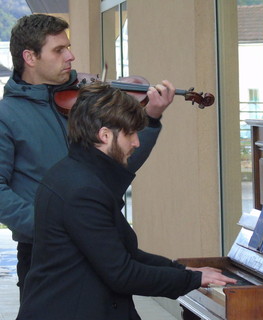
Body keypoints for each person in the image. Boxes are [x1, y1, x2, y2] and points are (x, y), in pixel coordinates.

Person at [16, 83, 236, 320]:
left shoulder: (75, 174)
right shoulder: (82, 189)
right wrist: (191, 279)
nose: (136, 142)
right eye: (130, 133)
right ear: (105, 135)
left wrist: (182, 271)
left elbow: (125, 255)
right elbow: (122, 274)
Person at [0, 13, 175, 299]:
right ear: (30, 57)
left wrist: (151, 118)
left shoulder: (84, 101)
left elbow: (120, 164)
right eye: (59, 50)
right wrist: (45, 227)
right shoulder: (6, 116)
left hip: (101, 240)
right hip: (45, 251)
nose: (71, 56)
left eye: (67, 47)